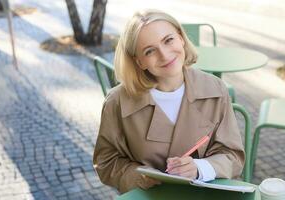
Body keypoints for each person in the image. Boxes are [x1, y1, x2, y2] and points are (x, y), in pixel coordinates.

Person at [93, 9, 245, 193]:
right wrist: (140, 176)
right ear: (139, 61)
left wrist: (200, 167)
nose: (164, 55)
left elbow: (233, 155)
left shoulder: (215, 89)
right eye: (149, 51)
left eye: (168, 40)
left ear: (181, 37)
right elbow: (106, 162)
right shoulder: (117, 102)